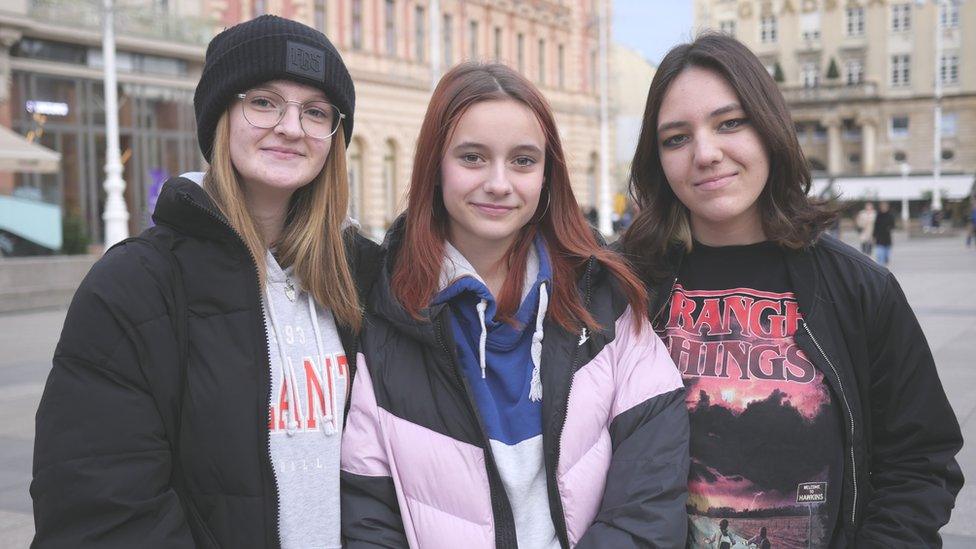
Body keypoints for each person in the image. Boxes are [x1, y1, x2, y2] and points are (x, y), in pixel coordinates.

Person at [31, 16, 381, 548]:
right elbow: (98, 506)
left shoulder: (366, 278)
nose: (291, 127)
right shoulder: (133, 285)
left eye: (316, 112)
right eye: (263, 101)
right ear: (221, 116)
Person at [620, 33, 962, 548]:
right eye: (676, 138)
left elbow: (920, 462)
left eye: (730, 123)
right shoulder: (625, 287)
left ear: (769, 127)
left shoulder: (858, 287)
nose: (705, 153)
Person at [340, 62, 690, 548]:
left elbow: (650, 498)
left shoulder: (604, 296)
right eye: (473, 158)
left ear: (547, 175)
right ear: (434, 167)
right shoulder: (383, 316)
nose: (499, 183)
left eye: (523, 161)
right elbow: (367, 515)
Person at [873, 201, 895, 266]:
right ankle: (880, 268)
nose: (884, 208)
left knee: (886, 255)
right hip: (879, 237)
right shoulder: (878, 215)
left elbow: (893, 225)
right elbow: (875, 226)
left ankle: (885, 262)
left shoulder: (890, 215)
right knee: (879, 255)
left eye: (885, 207)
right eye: (882, 207)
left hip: (887, 238)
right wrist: (874, 236)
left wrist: (889, 228)